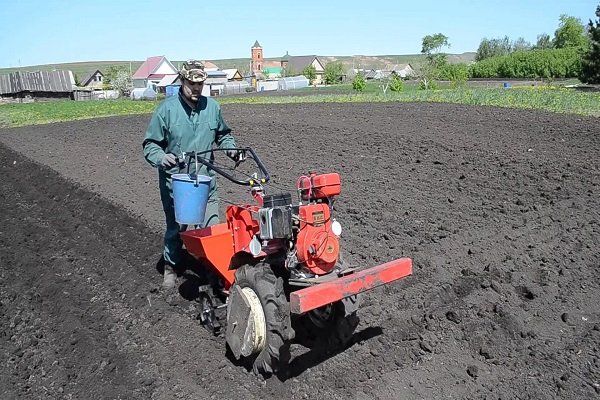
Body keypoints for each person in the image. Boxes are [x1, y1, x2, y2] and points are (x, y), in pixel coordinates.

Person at [142, 60, 241, 289]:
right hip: (177, 183)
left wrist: (231, 149)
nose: (196, 89)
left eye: (200, 84)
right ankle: (170, 266)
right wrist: (161, 157)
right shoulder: (166, 110)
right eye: (191, 84)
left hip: (206, 182)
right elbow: (150, 144)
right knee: (177, 228)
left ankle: (213, 272)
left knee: (212, 228)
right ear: (182, 81)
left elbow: (223, 136)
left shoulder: (212, 108)